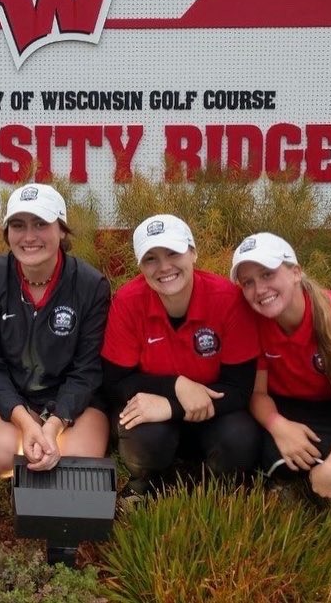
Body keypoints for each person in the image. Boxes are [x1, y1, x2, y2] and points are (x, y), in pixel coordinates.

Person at [101, 214, 261, 506]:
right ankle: (146, 482)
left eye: (173, 253)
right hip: (151, 413)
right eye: (151, 259)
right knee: (145, 438)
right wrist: (176, 385)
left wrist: (172, 407)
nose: (164, 267)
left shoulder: (227, 299)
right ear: (140, 266)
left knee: (240, 439)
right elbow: (114, 383)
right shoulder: (128, 301)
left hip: (214, 411)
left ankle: (210, 488)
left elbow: (240, 389)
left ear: (193, 252)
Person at [230, 232, 331, 501]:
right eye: (248, 282)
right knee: (282, 464)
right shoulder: (252, 319)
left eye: (268, 274)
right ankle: (283, 481)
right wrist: (279, 427)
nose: (259, 289)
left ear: (296, 272)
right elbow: (258, 394)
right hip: (285, 407)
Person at [0, 183, 110, 477]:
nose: (29, 236)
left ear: (62, 230)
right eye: (18, 225)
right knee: (2, 457)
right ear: (7, 233)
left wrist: (55, 422)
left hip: (72, 401)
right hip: (9, 395)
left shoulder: (91, 285)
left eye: (41, 224)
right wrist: (24, 420)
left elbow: (87, 370)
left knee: (75, 462)